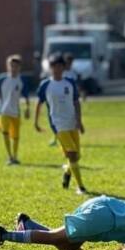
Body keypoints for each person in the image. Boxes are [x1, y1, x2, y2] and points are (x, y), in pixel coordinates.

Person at [0, 195, 125, 250]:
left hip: (97, 204)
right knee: (54, 237)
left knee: (69, 248)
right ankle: (5, 234)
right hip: (104, 218)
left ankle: (26, 223)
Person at [35, 53, 87, 193]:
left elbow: (76, 102)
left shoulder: (69, 83)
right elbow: (39, 103)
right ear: (50, 68)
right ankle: (80, 187)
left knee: (77, 156)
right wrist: (36, 122)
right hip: (58, 124)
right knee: (72, 155)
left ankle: (67, 172)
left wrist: (79, 120)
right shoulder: (46, 85)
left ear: (64, 67)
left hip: (72, 122)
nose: (57, 69)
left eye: (59, 66)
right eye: (54, 66)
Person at [0, 54, 31, 165]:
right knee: (5, 133)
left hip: (16, 112)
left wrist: (28, 109)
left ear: (19, 67)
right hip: (3, 111)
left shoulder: (22, 80)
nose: (13, 68)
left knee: (16, 136)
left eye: (16, 66)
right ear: (7, 66)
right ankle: (9, 156)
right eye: (11, 66)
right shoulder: (2, 78)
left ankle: (15, 156)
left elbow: (26, 96)